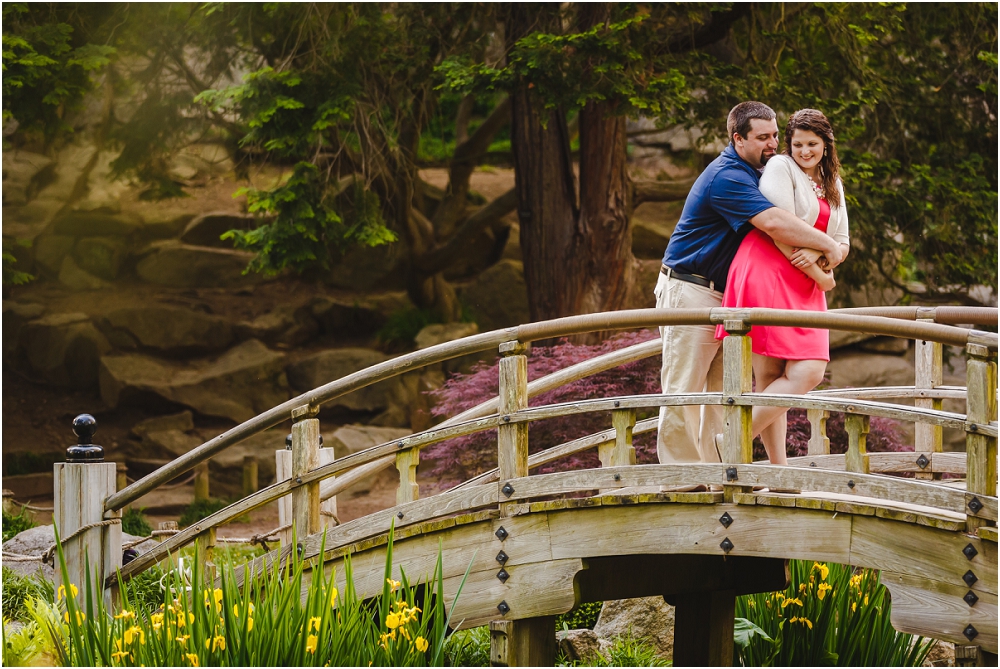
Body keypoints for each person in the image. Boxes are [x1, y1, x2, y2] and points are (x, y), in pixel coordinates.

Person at [655, 101, 844, 466]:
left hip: (727, 294)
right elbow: (775, 223)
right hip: (691, 288)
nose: (773, 144)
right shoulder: (728, 176)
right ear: (737, 138)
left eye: (775, 135)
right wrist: (828, 250)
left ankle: (715, 471)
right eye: (763, 137)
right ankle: (683, 478)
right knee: (684, 388)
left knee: (723, 392)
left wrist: (833, 250)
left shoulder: (761, 171)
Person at [714, 109, 849, 464]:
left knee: (804, 372)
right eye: (798, 144)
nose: (805, 151)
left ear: (826, 145)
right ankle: (777, 471)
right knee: (773, 375)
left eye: (813, 144)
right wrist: (823, 274)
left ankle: (736, 441)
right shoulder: (780, 168)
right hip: (769, 270)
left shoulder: (832, 182)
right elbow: (779, 228)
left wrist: (829, 258)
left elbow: (843, 239)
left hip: (805, 284)